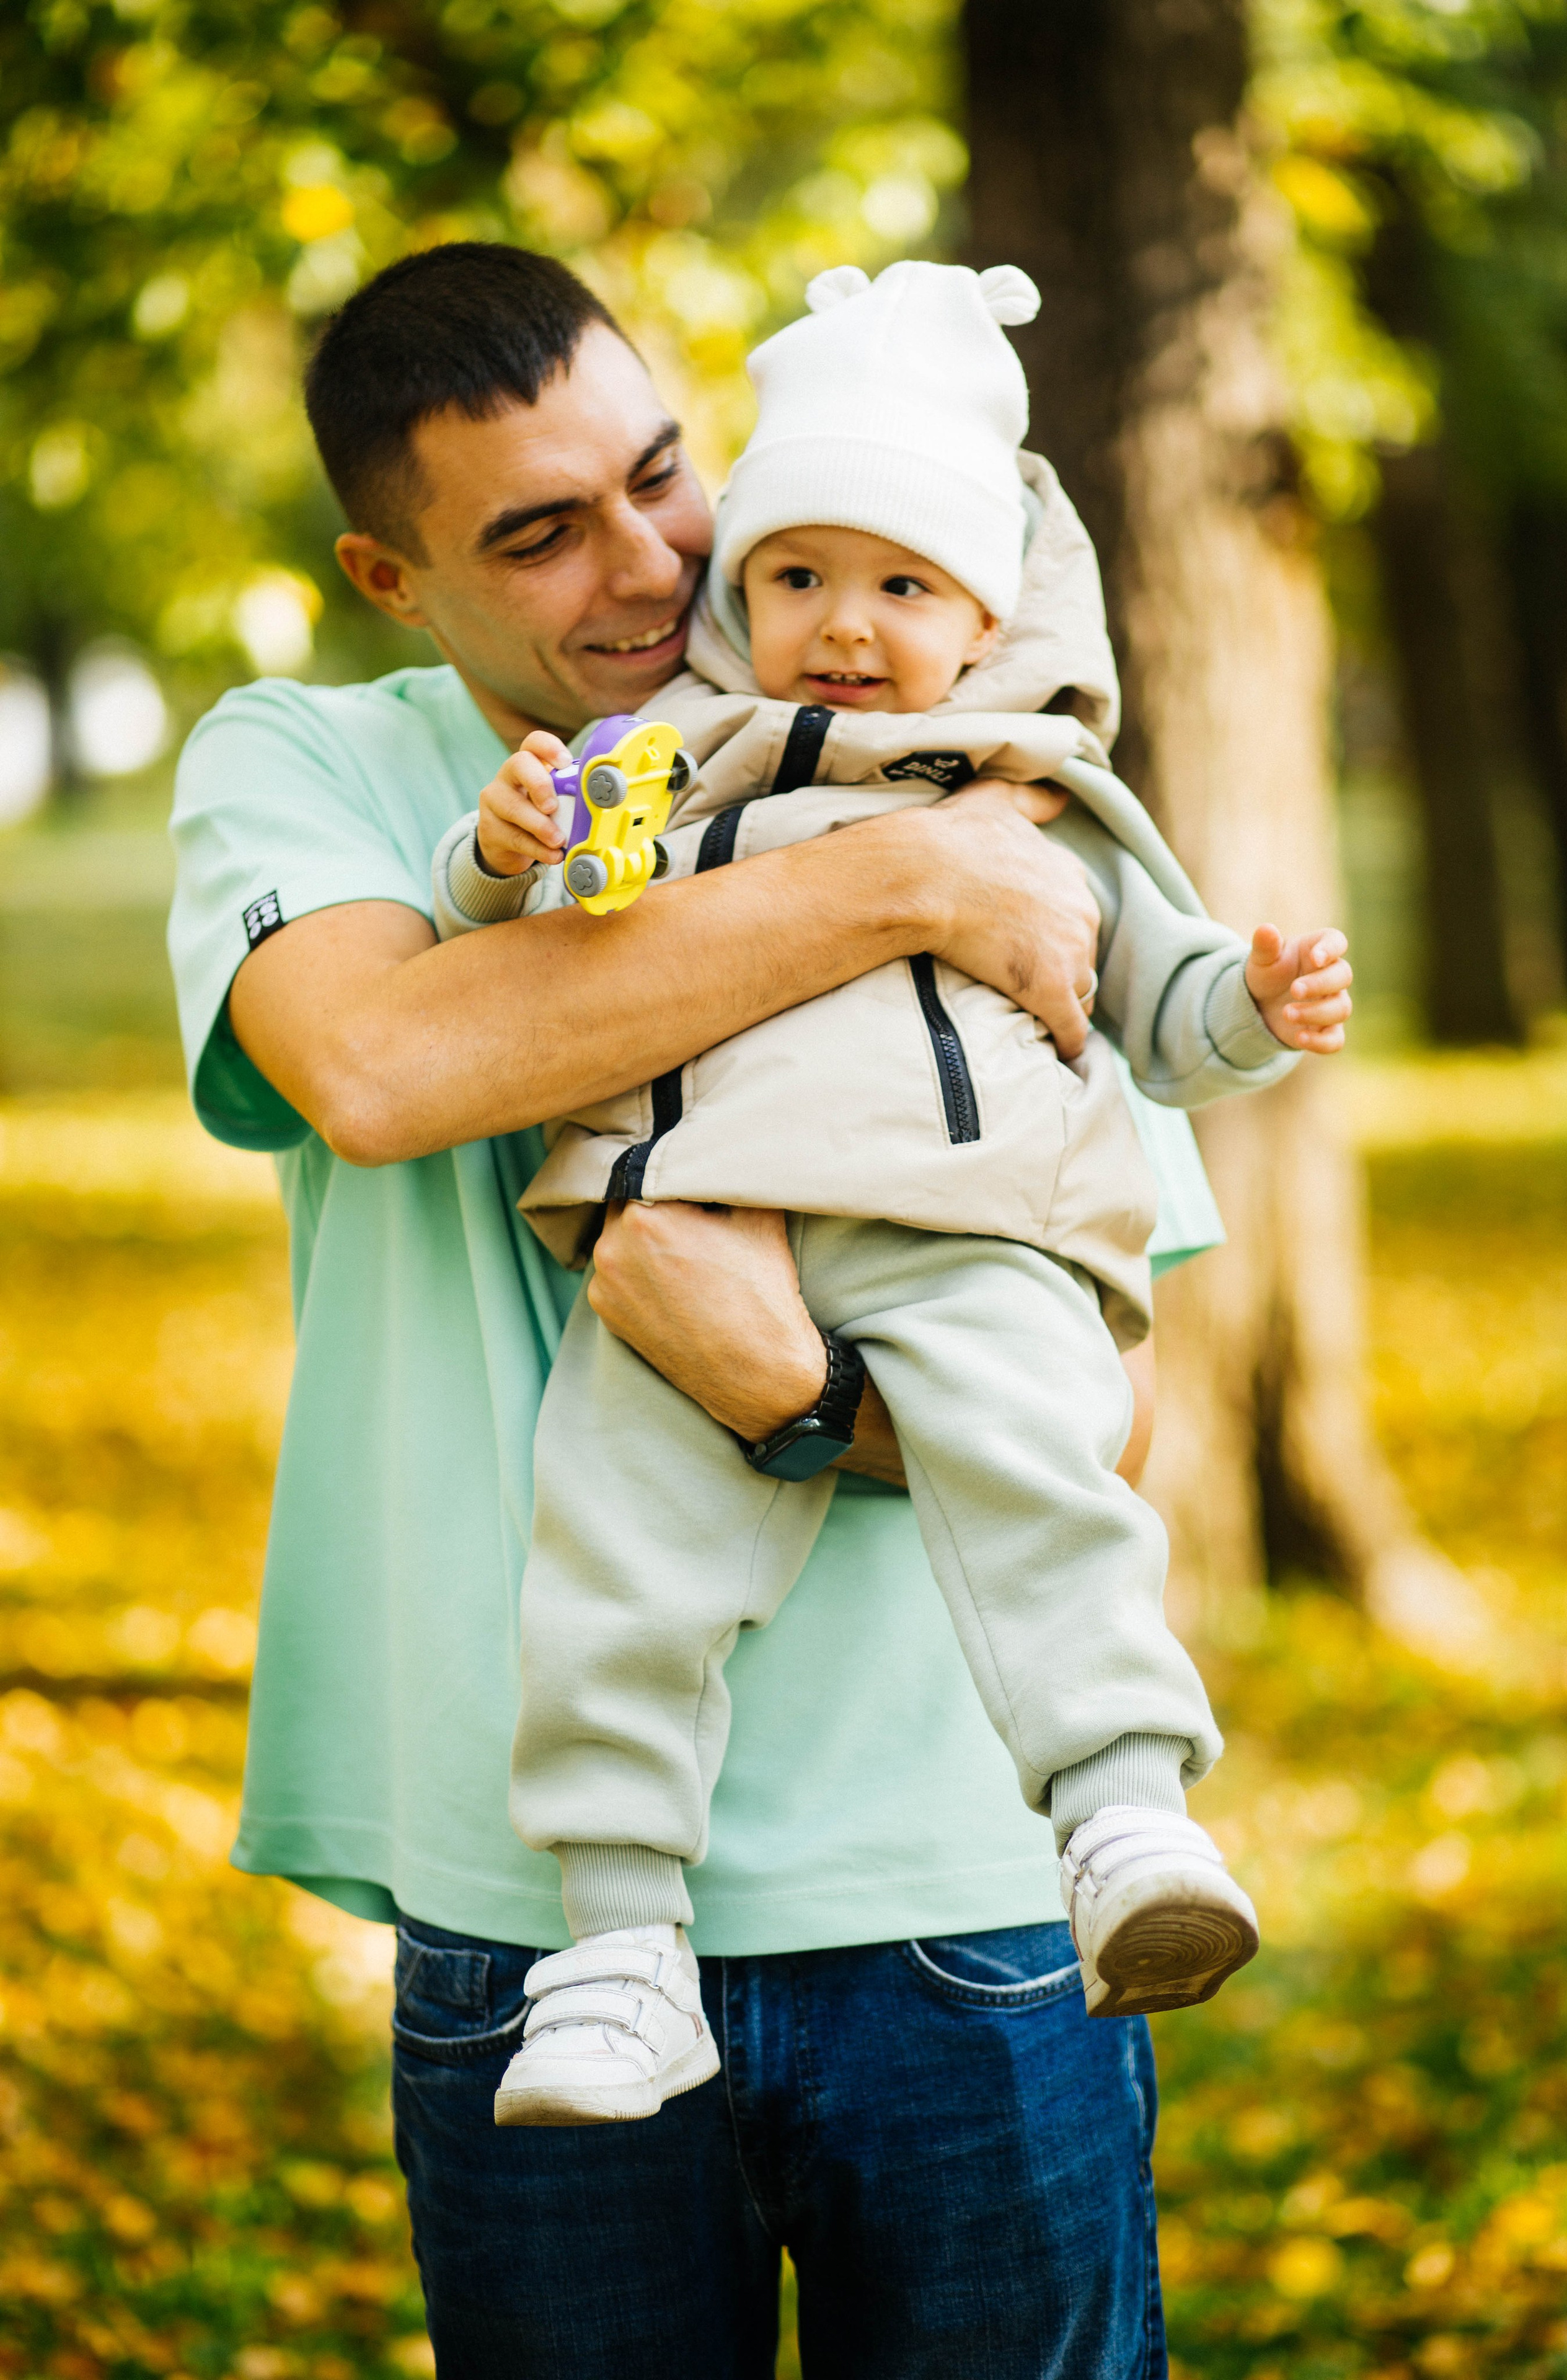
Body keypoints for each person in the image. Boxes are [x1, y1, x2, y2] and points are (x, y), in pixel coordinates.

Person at [164, 241, 1289, 2378]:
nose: (651, 561)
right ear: (394, 578)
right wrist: (892, 882)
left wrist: (792, 1390)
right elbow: (388, 1066)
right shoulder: (313, 762)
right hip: (542, 1925)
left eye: (664, 474)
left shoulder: (962, 749)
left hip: (966, 1881)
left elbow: (1102, 1404)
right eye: (537, 530)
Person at [430, 259, 1351, 2130]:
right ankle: (617, 1951)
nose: (844, 630)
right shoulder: (673, 755)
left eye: (903, 587)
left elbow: (1152, 1000)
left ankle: (1123, 1820)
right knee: (616, 1554)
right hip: (697, 1218)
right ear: (741, 592)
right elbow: (548, 930)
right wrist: (506, 843)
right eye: (795, 579)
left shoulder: (1045, 788)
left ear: (990, 608)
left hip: (972, 1225)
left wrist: (1247, 1004)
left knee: (1038, 1478)